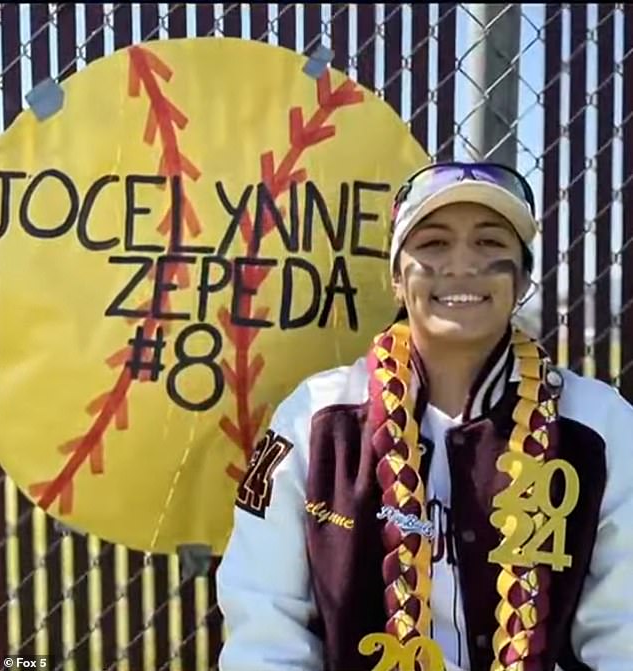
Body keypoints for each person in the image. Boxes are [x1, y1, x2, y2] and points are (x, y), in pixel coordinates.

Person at [215, 161, 633, 671]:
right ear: (396, 277)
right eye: (433, 243)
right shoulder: (314, 425)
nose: (461, 265)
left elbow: (622, 633)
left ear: (523, 277)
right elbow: (265, 628)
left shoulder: (600, 425)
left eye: (490, 244)